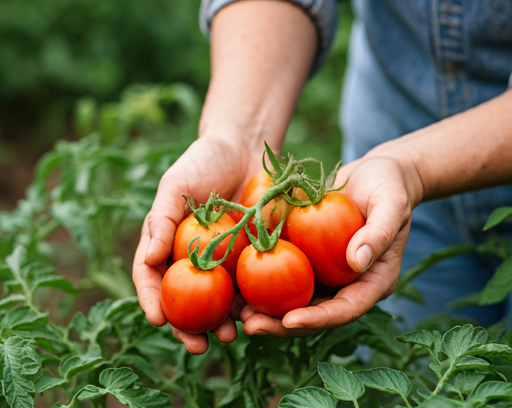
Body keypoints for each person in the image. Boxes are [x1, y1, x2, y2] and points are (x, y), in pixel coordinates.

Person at [132, 0, 512, 355]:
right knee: (415, 368)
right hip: (390, 166)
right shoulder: (306, 217)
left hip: (398, 171)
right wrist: (237, 134)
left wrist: (411, 168)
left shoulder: (272, 229)